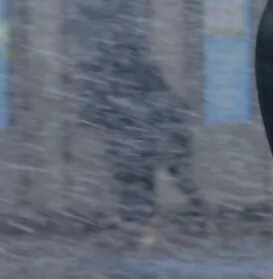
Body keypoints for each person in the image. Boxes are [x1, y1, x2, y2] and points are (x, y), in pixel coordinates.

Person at [87, 48, 203, 224]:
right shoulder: (147, 85)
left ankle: (139, 221)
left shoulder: (124, 87)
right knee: (153, 181)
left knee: (137, 184)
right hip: (147, 144)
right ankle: (145, 219)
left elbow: (106, 113)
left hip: (142, 145)